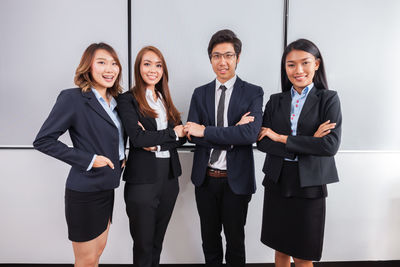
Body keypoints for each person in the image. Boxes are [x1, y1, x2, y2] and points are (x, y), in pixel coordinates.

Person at [33, 42, 125, 266]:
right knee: (85, 259)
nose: (109, 69)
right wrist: (90, 159)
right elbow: (43, 140)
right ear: (88, 67)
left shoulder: (117, 102)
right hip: (85, 191)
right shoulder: (73, 98)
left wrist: (122, 157)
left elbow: (115, 138)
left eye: (114, 63)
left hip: (107, 188)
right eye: (101, 63)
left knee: (98, 253)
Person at [257, 38, 342, 267]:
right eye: (291, 64)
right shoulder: (275, 101)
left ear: (316, 64)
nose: (298, 70)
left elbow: (329, 146)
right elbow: (263, 142)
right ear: (285, 68)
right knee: (280, 250)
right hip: (278, 179)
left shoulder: (328, 99)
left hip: (310, 184)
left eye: (305, 62)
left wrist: (282, 138)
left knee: (303, 255)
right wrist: (309, 141)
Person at [184, 29, 263, 267]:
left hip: (235, 181)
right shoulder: (200, 94)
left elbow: (248, 134)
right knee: (209, 241)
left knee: (235, 242)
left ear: (238, 57)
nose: (222, 61)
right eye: (216, 56)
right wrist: (232, 133)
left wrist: (206, 130)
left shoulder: (253, 92)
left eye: (228, 55)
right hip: (206, 179)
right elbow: (192, 136)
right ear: (210, 59)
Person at [117, 46, 186, 267]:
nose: (153, 69)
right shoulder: (127, 100)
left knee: (157, 243)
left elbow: (182, 137)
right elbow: (138, 139)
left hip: (169, 179)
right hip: (142, 181)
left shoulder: (164, 98)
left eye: (158, 65)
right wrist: (170, 135)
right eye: (147, 64)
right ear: (138, 67)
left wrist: (156, 142)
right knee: (143, 245)